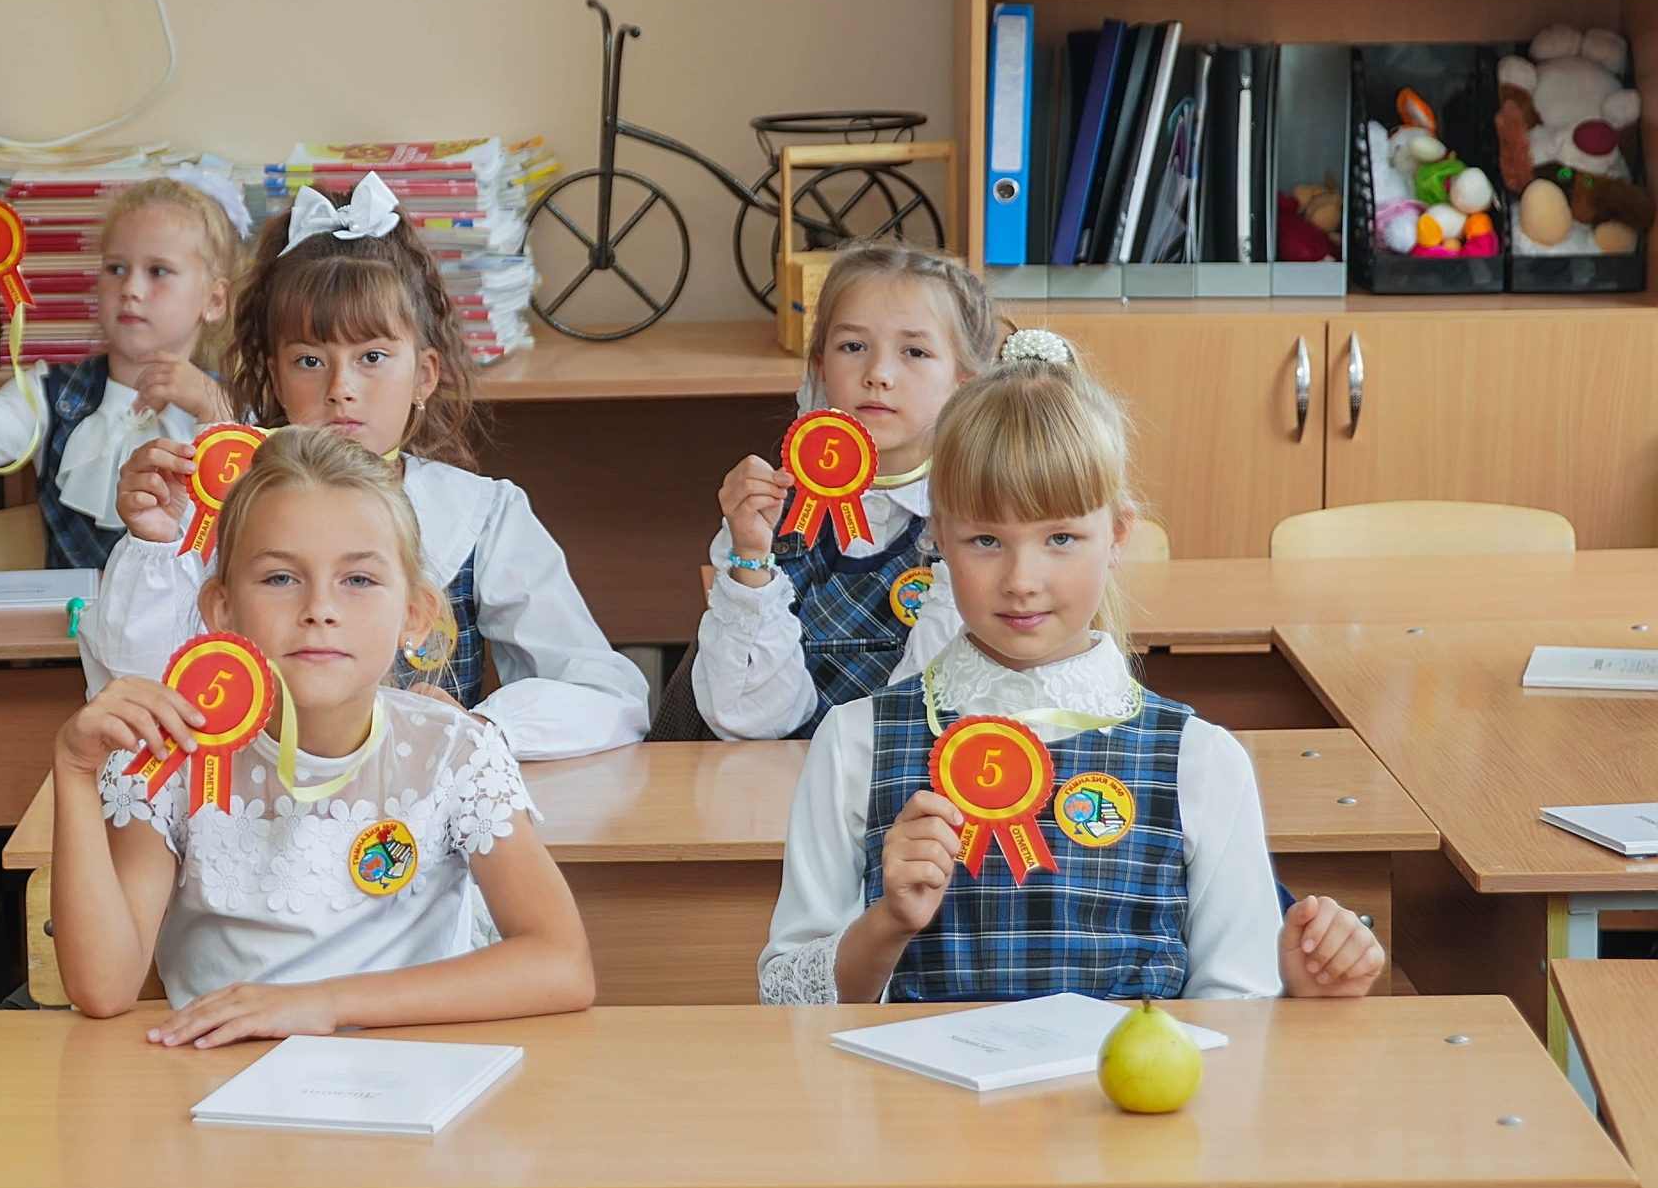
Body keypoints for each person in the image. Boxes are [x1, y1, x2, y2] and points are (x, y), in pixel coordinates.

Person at [758, 331, 1387, 1006]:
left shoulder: (1200, 761)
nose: (1022, 581)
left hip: (1129, 1111)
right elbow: (789, 1007)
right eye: (985, 540)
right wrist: (887, 921)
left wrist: (1300, 992)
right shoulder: (857, 742)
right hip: (913, 1112)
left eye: (1060, 538)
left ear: (1117, 534)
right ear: (938, 534)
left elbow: (1238, 1018)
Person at [50, 427, 595, 1047]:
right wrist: (72, 769)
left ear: (414, 615)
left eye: (358, 580)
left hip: (410, 1095)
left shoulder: (455, 752)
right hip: (221, 1093)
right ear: (221, 610)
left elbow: (561, 963)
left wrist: (322, 1004)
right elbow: (102, 987)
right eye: (281, 578)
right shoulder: (173, 757)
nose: (319, 610)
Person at [83, 172, 649, 760]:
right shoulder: (218, 506)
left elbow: (608, 694)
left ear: (424, 375)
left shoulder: (481, 516)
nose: (341, 389)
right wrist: (153, 543)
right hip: (257, 822)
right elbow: (136, 695)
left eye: (373, 357)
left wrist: (484, 729)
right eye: (308, 360)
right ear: (275, 378)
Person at [688, 244, 1002, 741]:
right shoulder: (772, 514)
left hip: (915, 787)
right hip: (780, 786)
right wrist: (751, 558)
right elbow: (748, 721)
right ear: (819, 368)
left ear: (965, 382)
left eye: (914, 352)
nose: (878, 374)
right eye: (853, 347)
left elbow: (943, 719)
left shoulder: (988, 524)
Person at [0, 170, 248, 570]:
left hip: (195, 629)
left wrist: (217, 415)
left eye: (157, 271)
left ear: (214, 300)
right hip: (69, 629)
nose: (131, 289)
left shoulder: (238, 405)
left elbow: (247, 530)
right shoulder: (49, 392)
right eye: (116, 268)